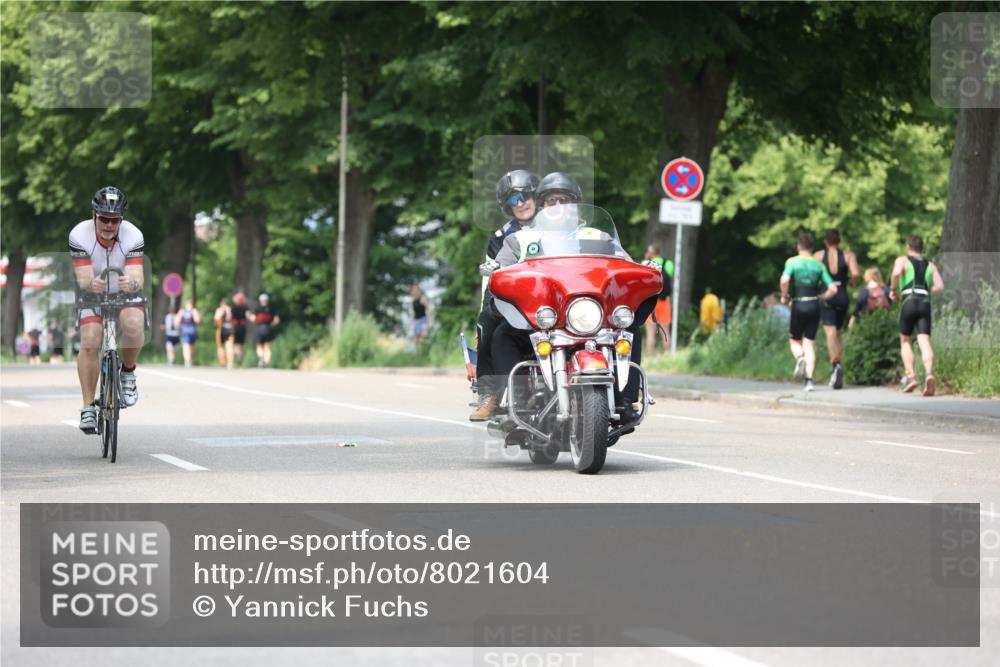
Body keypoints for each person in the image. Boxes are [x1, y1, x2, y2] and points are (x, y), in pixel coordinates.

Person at [69, 186, 145, 432]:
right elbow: (83, 279)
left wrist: (131, 283)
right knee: (90, 340)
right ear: (94, 215)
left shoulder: (133, 235)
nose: (109, 225)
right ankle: (88, 406)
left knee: (133, 322)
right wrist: (91, 284)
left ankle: (128, 373)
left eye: (114, 220)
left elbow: (137, 278)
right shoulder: (79, 234)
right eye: (104, 218)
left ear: (121, 220)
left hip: (123, 292)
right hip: (92, 290)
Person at [469, 169, 539, 421]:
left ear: (535, 195)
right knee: (486, 321)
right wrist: (486, 308)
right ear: (507, 206)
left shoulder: (556, 225)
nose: (520, 203)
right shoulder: (501, 237)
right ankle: (490, 395)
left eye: (524, 196)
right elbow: (491, 280)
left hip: (552, 299)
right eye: (512, 200)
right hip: (515, 302)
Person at [780, 232, 838, 392]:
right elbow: (833, 288)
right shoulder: (818, 265)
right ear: (812, 248)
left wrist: (784, 296)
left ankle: (800, 358)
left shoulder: (792, 262)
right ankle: (809, 381)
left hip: (798, 303)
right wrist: (822, 297)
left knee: (795, 341)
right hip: (814, 305)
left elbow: (784, 280)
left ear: (799, 246)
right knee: (809, 343)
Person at [890, 235, 944, 396]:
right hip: (925, 303)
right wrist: (926, 291)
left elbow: (896, 273)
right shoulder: (930, 265)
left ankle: (910, 375)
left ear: (908, 247)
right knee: (924, 339)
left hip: (909, 302)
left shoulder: (902, 260)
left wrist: (893, 289)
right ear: (922, 249)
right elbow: (940, 286)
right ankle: (928, 373)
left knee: (905, 339)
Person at [815, 229, 860, 389]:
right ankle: (838, 365)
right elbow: (855, 273)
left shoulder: (819, 256)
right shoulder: (848, 256)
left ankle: (835, 366)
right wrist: (852, 283)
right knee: (838, 333)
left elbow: (814, 273)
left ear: (825, 241)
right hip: (842, 295)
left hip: (827, 294)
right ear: (839, 241)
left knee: (830, 333)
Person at [643, 244, 673, 354]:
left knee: (650, 333)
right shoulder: (668, 263)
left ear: (650, 253)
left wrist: (646, 259)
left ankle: (650, 358)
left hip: (651, 301)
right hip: (665, 301)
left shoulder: (646, 264)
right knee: (665, 331)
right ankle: (667, 356)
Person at [251, 293, 279, 367]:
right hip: (268, 329)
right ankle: (266, 361)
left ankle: (261, 358)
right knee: (267, 346)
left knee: (259, 346)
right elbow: (276, 320)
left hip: (260, 328)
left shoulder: (257, 309)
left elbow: (253, 319)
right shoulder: (271, 309)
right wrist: (270, 325)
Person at [176, 299, 201, 368]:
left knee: (185, 346)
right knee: (191, 346)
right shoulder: (194, 311)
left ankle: (187, 360)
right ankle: (189, 359)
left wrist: (180, 325)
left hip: (185, 330)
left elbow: (177, 321)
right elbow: (198, 321)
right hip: (193, 330)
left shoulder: (182, 311)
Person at [230, 291, 251, 366]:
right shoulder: (245, 308)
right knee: (241, 344)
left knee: (236, 344)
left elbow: (230, 318)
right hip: (242, 327)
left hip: (235, 327)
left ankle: (239, 354)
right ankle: (240, 355)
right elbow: (249, 316)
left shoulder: (233, 308)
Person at [214, 297, 235, 369]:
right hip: (228, 329)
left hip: (221, 330)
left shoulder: (219, 310)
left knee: (221, 347)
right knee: (228, 346)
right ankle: (229, 363)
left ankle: (224, 363)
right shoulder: (229, 310)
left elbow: (216, 319)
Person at [410, 284, 432, 349]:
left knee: (423, 337)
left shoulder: (422, 298)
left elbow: (429, 309)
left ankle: (423, 352)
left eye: (416, 289)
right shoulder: (413, 300)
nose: (414, 291)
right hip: (416, 321)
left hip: (423, 320)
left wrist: (430, 321)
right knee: (416, 339)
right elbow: (414, 312)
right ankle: (418, 354)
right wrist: (411, 323)